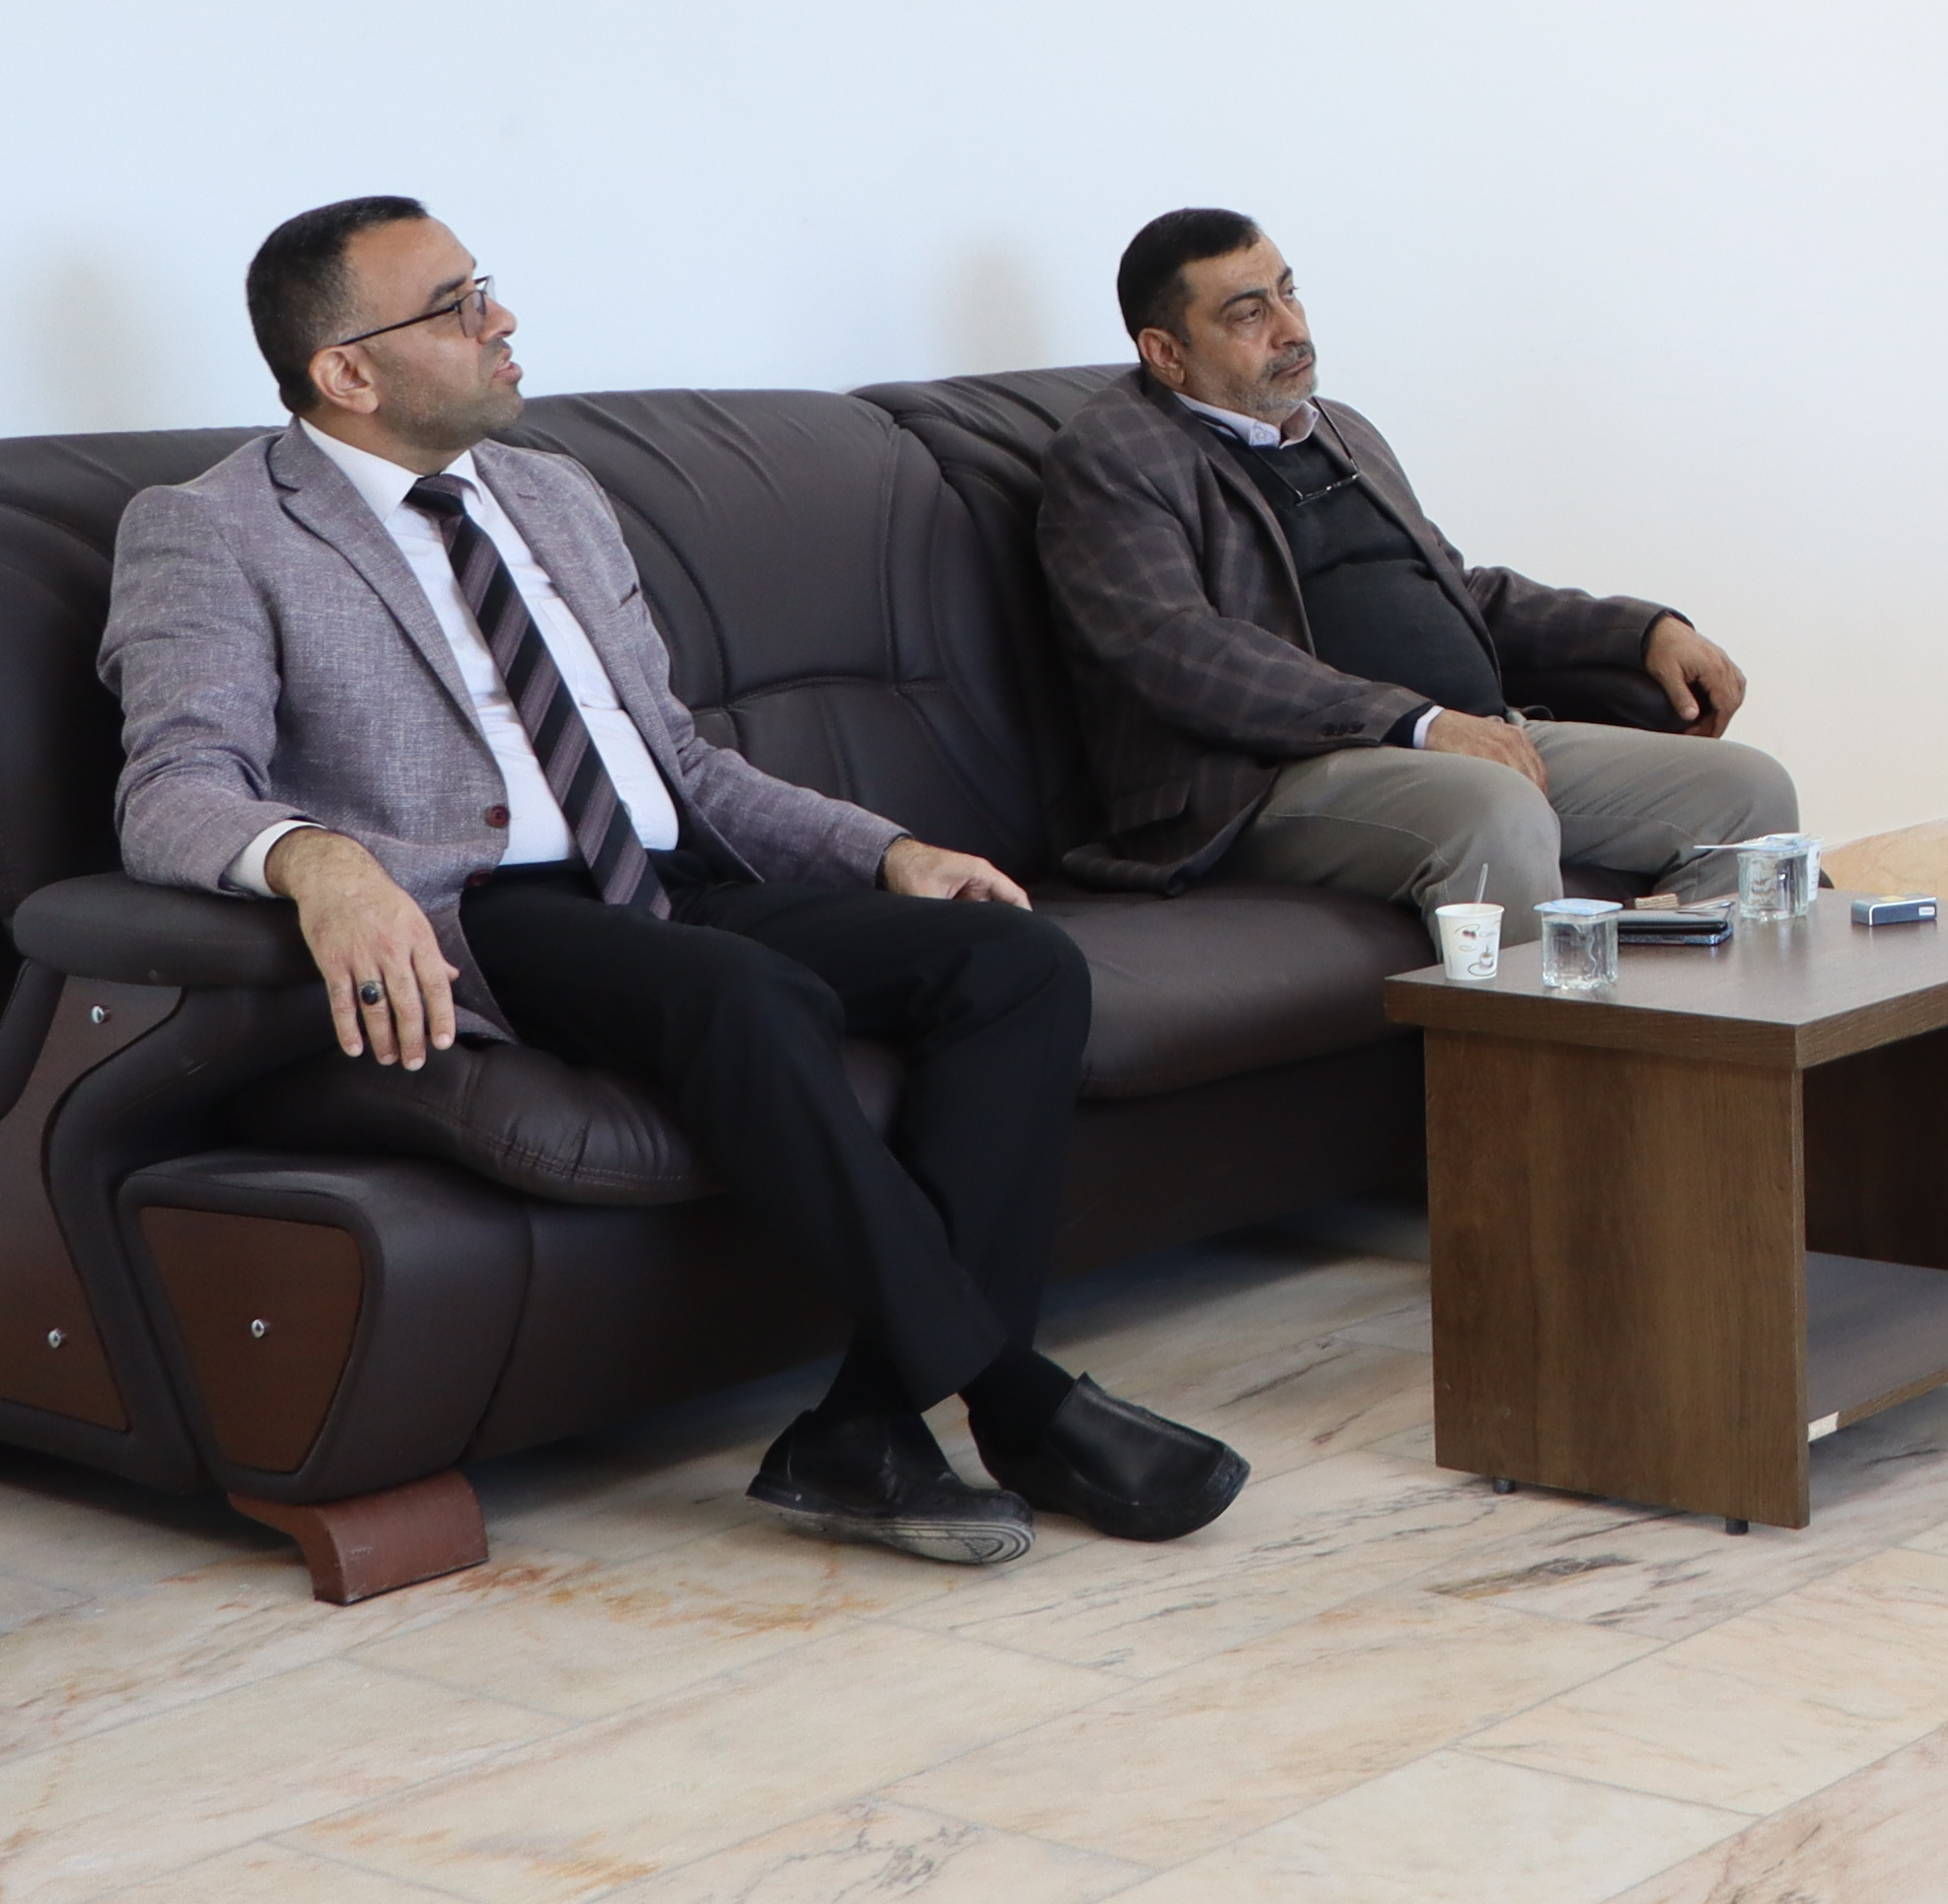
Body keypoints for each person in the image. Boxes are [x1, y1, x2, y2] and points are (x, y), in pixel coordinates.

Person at [107, 199, 1244, 1568]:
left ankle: (866, 1424)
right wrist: (320, 860)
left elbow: (685, 762)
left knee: (1015, 960)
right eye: (456, 306)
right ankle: (1015, 1394)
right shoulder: (214, 529)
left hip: (671, 874)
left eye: (485, 286)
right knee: (746, 992)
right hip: (493, 911)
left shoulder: (553, 495)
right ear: (346, 369)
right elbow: (173, 785)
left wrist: (887, 852)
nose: (501, 320)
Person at [1030, 210, 1790, 915]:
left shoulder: (1338, 428)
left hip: (1466, 740)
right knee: (1496, 808)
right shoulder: (1114, 454)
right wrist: (1417, 724)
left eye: (1289, 293)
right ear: (1166, 352)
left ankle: (1695, 1020)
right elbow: (1176, 649)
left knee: (1746, 791)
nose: (1292, 329)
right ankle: (1543, 1025)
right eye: (1249, 315)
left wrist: (1641, 632)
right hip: (1265, 781)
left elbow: (1458, 590)